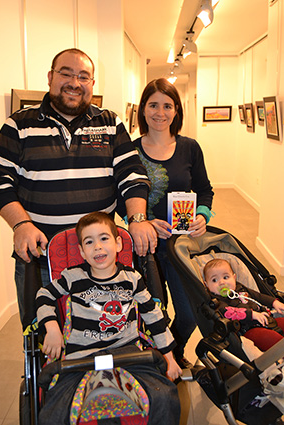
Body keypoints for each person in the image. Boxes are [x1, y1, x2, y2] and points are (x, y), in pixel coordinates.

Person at [0, 48, 157, 322]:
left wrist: (138, 218)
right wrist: (21, 225)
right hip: (41, 255)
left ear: (92, 84)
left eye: (83, 76)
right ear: (50, 77)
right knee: (43, 335)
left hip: (100, 257)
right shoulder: (19, 124)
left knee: (104, 329)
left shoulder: (110, 123)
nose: (75, 82)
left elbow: (131, 175)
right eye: (66, 73)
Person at [36, 211, 182, 425]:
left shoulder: (133, 279)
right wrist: (52, 329)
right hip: (81, 359)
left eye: (104, 238)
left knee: (165, 396)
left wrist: (169, 357)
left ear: (118, 244)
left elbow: (153, 316)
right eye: (89, 242)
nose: (97, 246)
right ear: (82, 252)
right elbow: (44, 295)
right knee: (53, 414)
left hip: (129, 356)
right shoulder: (73, 276)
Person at [133, 78, 214, 367]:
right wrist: (144, 221)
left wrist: (202, 216)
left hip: (181, 246)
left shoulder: (190, 148)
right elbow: (120, 198)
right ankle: (160, 361)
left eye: (167, 105)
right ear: (143, 109)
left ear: (176, 110)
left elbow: (205, 189)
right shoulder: (130, 151)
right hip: (145, 247)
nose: (160, 112)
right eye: (153, 105)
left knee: (190, 311)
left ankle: (174, 353)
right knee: (155, 311)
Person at [203, 258, 284, 351]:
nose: (221, 282)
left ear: (234, 277)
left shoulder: (239, 288)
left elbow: (257, 296)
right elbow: (228, 312)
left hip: (267, 319)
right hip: (249, 329)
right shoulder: (217, 301)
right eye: (214, 280)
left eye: (225, 277)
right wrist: (252, 315)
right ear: (207, 285)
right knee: (272, 339)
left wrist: (274, 302)